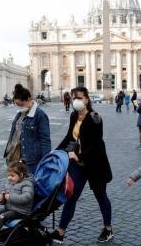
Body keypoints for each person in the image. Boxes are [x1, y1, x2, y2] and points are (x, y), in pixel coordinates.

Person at [51, 86, 113, 244]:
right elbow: (69, 137)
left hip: (95, 164)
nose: (75, 101)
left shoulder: (94, 118)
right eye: (74, 98)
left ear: (86, 99)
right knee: (71, 196)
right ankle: (60, 232)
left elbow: (96, 144)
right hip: (77, 165)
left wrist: (79, 155)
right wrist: (55, 152)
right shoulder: (73, 115)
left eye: (78, 98)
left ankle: (108, 228)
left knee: (101, 197)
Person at [3, 84, 51, 173]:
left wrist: (45, 161)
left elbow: (45, 140)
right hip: (17, 157)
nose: (19, 107)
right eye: (17, 104)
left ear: (28, 99)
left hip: (32, 160)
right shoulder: (20, 113)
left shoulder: (40, 115)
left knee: (31, 184)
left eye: (20, 104)